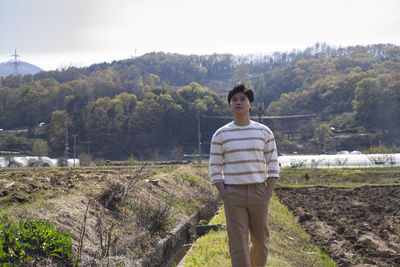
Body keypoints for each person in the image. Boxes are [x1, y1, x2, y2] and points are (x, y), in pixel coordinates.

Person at [209, 83, 280, 267]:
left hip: (259, 192)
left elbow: (273, 163)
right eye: (234, 100)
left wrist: (268, 191)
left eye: (243, 99)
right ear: (229, 105)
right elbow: (215, 166)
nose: (238, 102)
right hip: (233, 194)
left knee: (261, 242)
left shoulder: (264, 132)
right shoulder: (221, 134)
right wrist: (224, 193)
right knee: (238, 243)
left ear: (251, 104)